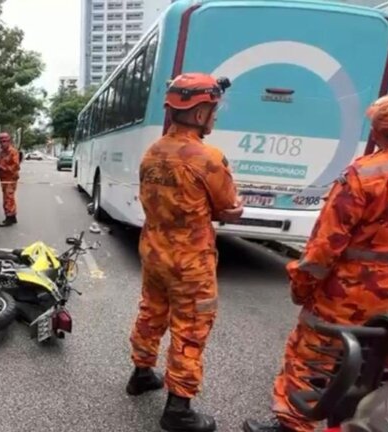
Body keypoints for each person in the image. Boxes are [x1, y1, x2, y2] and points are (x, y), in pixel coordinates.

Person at [243, 93, 388, 432]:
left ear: (379, 132)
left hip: (347, 299)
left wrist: (301, 287)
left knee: (311, 358)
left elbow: (323, 248)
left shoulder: (366, 175)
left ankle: (292, 425)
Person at [127, 73, 242, 432]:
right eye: (212, 110)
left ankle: (141, 373)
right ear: (197, 114)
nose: (215, 116)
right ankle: (178, 409)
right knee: (191, 328)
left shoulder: (152, 153)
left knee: (152, 312)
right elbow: (226, 206)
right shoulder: (208, 158)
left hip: (154, 252)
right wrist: (233, 210)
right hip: (190, 262)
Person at [0, 132, 21, 227]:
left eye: (4, 141)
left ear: (9, 141)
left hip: (11, 178)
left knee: (8, 198)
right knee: (7, 197)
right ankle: (12, 217)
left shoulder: (13, 152)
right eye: (1, 142)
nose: (2, 143)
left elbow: (16, 166)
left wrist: (3, 168)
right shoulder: (2, 153)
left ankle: (9, 217)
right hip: (4, 178)